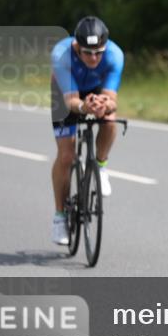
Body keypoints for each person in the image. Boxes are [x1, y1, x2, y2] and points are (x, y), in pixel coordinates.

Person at [49, 16, 124, 245]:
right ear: (76, 47)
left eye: (98, 52)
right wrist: (83, 106)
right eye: (87, 52)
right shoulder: (61, 55)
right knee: (66, 155)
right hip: (66, 93)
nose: (93, 57)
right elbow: (71, 101)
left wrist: (104, 106)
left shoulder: (115, 55)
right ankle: (60, 217)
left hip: (95, 88)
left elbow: (112, 99)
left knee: (110, 121)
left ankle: (100, 166)